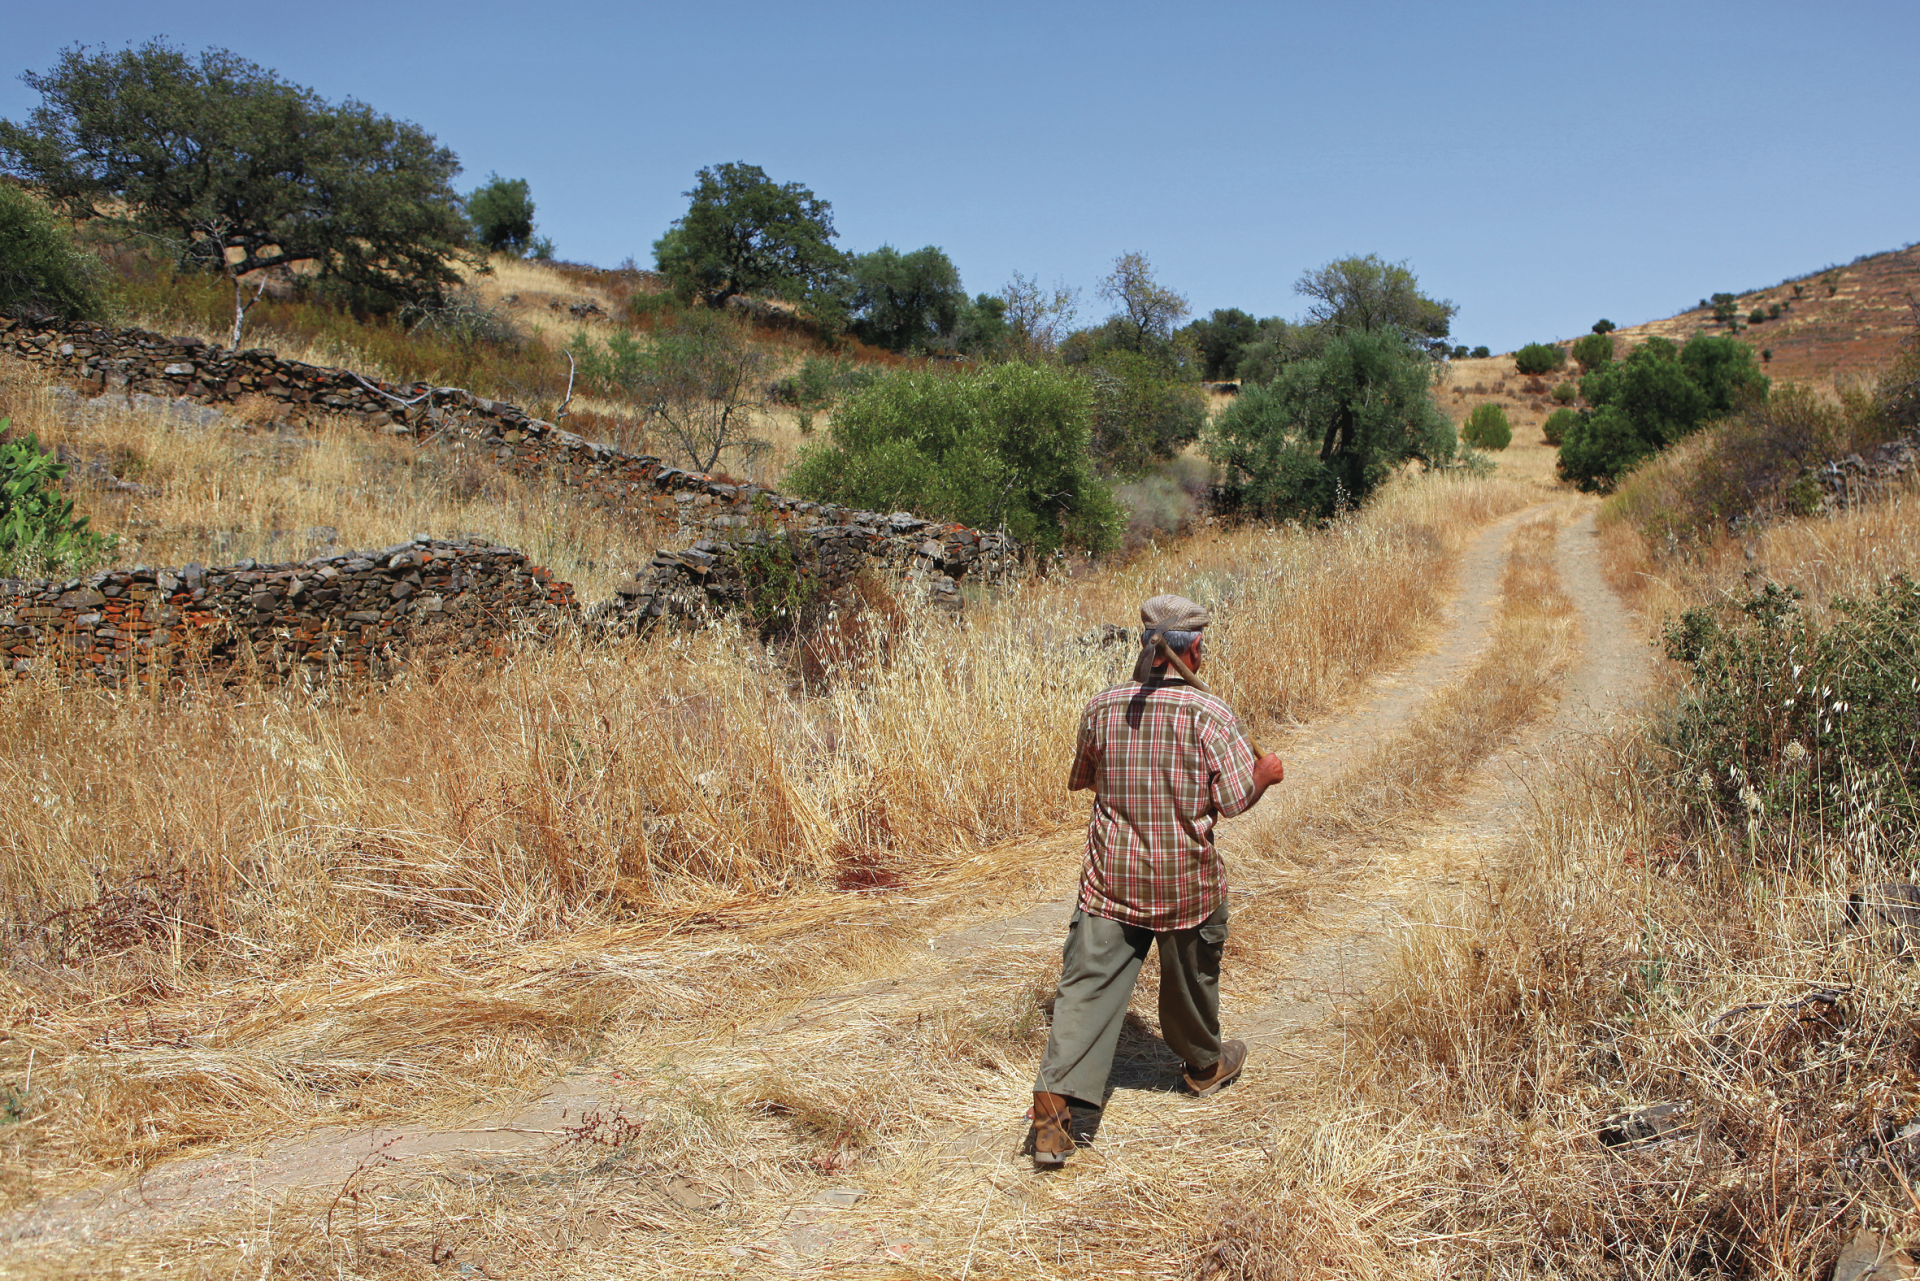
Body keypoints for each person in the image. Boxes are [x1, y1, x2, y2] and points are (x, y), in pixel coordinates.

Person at [1028, 594, 1285, 1167]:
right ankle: (1202, 1065)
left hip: (1111, 877)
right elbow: (1232, 800)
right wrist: (1265, 775)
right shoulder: (1210, 714)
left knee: (1085, 990)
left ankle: (1055, 1115)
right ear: (1191, 647)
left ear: (1146, 646)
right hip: (1185, 882)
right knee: (1191, 981)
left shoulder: (1101, 707)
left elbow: (1087, 779)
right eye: (1203, 644)